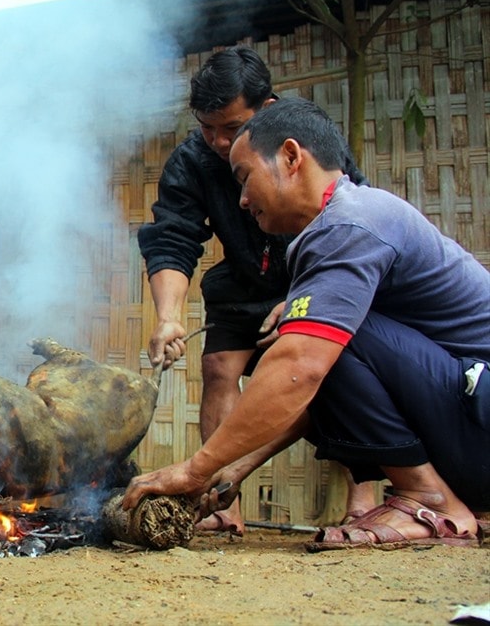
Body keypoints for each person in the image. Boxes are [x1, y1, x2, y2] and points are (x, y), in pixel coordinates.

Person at [124, 97, 490, 550]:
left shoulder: (351, 226)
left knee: (316, 342)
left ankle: (428, 498)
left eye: (244, 178)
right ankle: (434, 493)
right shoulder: (333, 232)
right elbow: (322, 387)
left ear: (292, 157)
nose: (240, 200)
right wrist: (230, 470)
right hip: (468, 423)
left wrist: (193, 468)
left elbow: (304, 367)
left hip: (480, 417)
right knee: (315, 337)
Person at [136, 46, 375, 534]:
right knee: (219, 366)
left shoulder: (305, 139)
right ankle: (223, 504)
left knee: (339, 371)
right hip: (245, 279)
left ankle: (364, 497)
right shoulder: (192, 160)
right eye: (207, 128)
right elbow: (173, 236)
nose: (220, 142)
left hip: (316, 274)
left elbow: (347, 218)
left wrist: (310, 295)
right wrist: (168, 316)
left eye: (231, 127)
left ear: (265, 112)